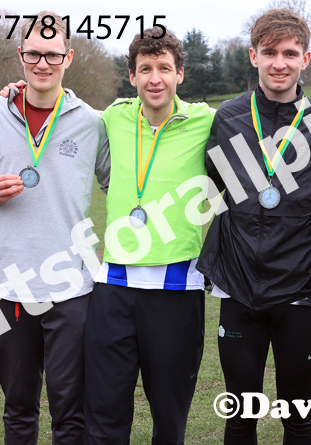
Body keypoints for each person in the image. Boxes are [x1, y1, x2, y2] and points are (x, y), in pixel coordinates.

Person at [198, 8, 311, 444]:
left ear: (306, 59)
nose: (280, 63)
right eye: (270, 52)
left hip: (298, 289)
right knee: (241, 416)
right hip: (238, 288)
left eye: (290, 53)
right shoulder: (228, 117)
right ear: (253, 56)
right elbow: (214, 184)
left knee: (297, 417)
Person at [0, 12, 110, 445]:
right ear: (20, 55)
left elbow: (117, 186)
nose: (42, 63)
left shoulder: (92, 121)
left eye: (52, 54)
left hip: (73, 286)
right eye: (33, 54)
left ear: (69, 57)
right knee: (17, 408)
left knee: (70, 411)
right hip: (6, 285)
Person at [83, 27, 216, 445]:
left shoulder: (206, 120)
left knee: (169, 420)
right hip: (113, 287)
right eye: (145, 69)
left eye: (164, 68)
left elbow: (263, 117)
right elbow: (60, 110)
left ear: (180, 74)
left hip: (177, 289)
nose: (154, 78)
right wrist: (15, 92)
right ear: (132, 75)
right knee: (104, 417)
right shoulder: (113, 117)